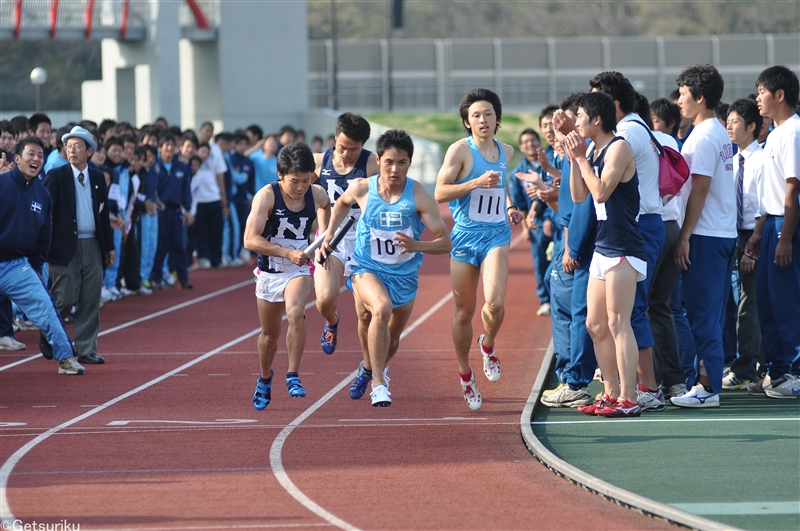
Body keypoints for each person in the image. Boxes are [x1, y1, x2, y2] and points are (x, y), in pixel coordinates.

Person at [320, 129, 452, 407]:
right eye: (389, 162)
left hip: (404, 276)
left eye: (401, 162)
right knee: (376, 311)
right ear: (378, 160)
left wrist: (418, 246)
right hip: (366, 267)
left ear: (409, 164)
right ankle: (379, 385)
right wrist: (328, 234)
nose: (394, 169)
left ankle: (368, 368)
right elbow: (341, 204)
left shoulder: (417, 195)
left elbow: (445, 243)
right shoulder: (362, 188)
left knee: (391, 341)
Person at [434, 88, 524, 411]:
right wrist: (474, 183)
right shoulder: (459, 151)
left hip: (497, 236)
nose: (483, 120)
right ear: (466, 121)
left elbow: (504, 184)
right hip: (464, 239)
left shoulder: (507, 151)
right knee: (463, 313)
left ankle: (487, 345)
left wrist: (511, 205)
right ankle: (465, 375)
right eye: (476, 115)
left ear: (497, 118)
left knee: (496, 305)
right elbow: (439, 192)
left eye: (488, 113)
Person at [563, 92, 647, 418]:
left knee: (617, 321)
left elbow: (601, 190)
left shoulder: (620, 147)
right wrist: (574, 159)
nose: (576, 122)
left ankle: (630, 397)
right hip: (603, 246)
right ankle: (609, 392)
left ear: (597, 120)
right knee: (595, 323)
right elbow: (579, 194)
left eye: (580, 116)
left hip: (624, 246)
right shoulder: (594, 150)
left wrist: (581, 159)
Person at [243, 143, 330, 410]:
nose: (301, 187)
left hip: (299, 269)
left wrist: (322, 236)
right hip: (270, 271)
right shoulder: (266, 196)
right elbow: (250, 240)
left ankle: (292, 375)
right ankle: (265, 379)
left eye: (306, 180)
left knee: (295, 312)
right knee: (269, 335)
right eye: (295, 181)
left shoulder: (315, 194)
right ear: (280, 174)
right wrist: (285, 252)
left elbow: (327, 206)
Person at [670, 64, 736, 409]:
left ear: (700, 97)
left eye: (683, 93)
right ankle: (705, 378)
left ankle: (707, 386)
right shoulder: (716, 132)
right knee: (710, 310)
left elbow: (700, 188)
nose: (679, 100)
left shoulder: (705, 135)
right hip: (718, 232)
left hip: (707, 235)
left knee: (702, 311)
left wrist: (685, 235)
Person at [0, 136, 85, 374]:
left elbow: (43, 238)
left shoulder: (42, 195)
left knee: (46, 309)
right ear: (17, 159)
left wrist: (35, 268)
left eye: (40, 155)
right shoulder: (2, 184)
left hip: (18, 267)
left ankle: (66, 358)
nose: (36, 159)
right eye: (31, 154)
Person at [748, 65, 800, 398]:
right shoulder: (774, 134)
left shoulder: (793, 131)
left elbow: (793, 189)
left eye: (761, 92)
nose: (757, 99)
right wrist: (759, 233)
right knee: (767, 302)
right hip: (771, 224)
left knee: (786, 301)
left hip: (786, 224)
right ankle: (777, 371)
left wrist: (784, 238)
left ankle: (794, 372)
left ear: (779, 95)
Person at [42, 126, 114, 366]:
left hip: (92, 243)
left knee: (90, 298)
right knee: (64, 297)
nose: (71, 150)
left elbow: (104, 216)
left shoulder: (97, 178)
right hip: (65, 246)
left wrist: (109, 247)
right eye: (68, 146)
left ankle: (86, 349)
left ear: (89, 151)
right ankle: (47, 331)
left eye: (77, 147)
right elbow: (45, 211)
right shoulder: (56, 176)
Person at [313, 112, 380, 355]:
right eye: (341, 147)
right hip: (331, 239)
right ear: (334, 139)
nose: (345, 153)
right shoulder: (319, 161)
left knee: (366, 313)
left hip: (364, 241)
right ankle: (332, 322)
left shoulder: (373, 163)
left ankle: (369, 366)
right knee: (324, 299)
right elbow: (304, 193)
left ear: (362, 145)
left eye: (353, 149)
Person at [723, 98, 765, 390]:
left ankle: (748, 366)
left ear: (751, 126)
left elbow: (766, 205)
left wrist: (753, 245)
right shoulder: (729, 158)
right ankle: (745, 363)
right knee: (734, 303)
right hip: (729, 233)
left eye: (735, 121)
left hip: (753, 234)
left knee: (749, 304)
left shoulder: (761, 159)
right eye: (727, 121)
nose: (729, 126)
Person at [509, 128, 553, 316]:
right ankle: (545, 300)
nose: (530, 144)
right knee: (540, 261)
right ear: (521, 147)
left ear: (539, 141)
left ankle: (559, 297)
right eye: (525, 142)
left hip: (555, 218)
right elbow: (520, 204)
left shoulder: (549, 162)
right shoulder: (518, 173)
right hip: (535, 224)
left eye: (533, 140)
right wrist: (526, 228)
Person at [146, 133, 195, 290]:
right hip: (159, 211)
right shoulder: (155, 166)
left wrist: (187, 208)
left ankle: (183, 277)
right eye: (166, 145)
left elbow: (186, 189)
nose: (169, 148)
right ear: (160, 148)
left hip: (175, 211)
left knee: (179, 244)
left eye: (172, 145)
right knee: (159, 245)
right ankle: (156, 276)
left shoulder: (182, 167)